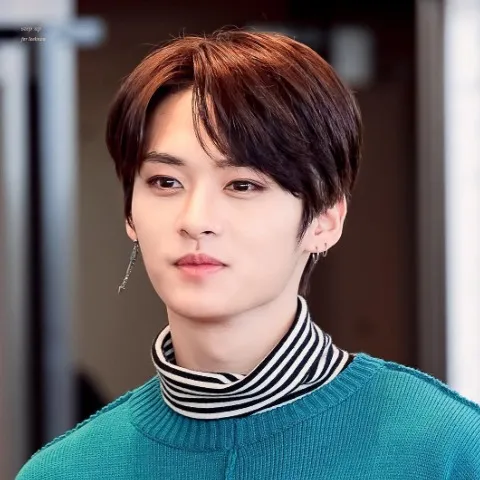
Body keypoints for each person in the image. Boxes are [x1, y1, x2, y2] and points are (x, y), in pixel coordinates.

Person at [17, 28, 480, 480]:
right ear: (130, 214)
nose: (196, 219)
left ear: (325, 219)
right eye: (166, 182)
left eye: (243, 185)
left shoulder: (447, 448)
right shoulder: (65, 470)